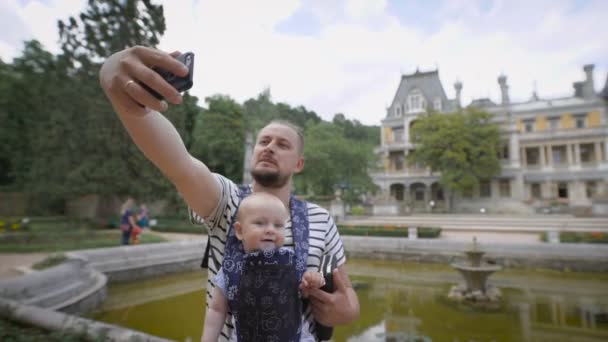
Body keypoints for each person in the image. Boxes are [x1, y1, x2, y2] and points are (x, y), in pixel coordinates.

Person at [99, 46, 360, 342]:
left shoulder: (321, 219)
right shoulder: (226, 201)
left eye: (282, 144)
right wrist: (118, 85)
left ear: (299, 163)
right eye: (264, 140)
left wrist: (345, 311)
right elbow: (178, 163)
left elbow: (347, 293)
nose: (269, 147)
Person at [202, 192, 325, 342]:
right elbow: (217, 310)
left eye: (278, 225)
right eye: (260, 223)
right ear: (240, 231)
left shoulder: (292, 261)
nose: (270, 230)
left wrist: (312, 282)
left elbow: (303, 294)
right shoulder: (230, 268)